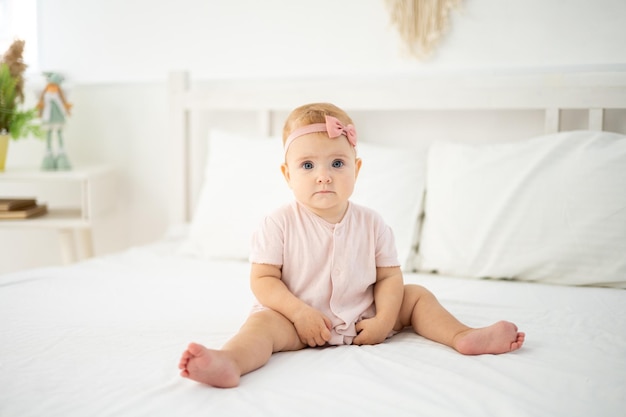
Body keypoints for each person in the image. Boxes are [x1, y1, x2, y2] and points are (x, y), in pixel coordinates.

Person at [178, 103, 525, 388]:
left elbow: (389, 278)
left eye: (337, 163)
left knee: (416, 295)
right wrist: (299, 313)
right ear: (287, 174)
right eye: (308, 165)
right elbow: (263, 280)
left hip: (365, 314)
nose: (323, 175)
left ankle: (463, 336)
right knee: (260, 327)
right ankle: (230, 362)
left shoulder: (372, 223)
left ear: (356, 170)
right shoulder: (278, 223)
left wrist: (385, 319)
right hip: (296, 319)